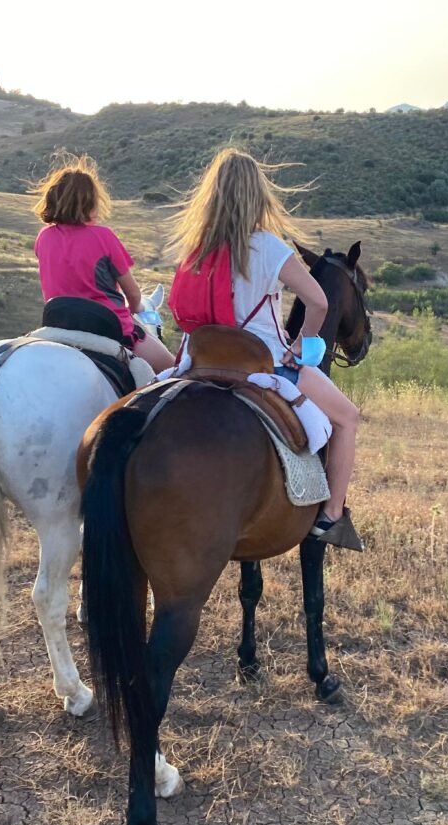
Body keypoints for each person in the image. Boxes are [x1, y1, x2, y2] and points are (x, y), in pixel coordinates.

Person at [168, 148, 361, 546]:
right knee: (347, 418)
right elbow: (319, 302)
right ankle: (331, 517)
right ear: (259, 195)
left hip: (197, 359)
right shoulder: (269, 247)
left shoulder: (196, 246)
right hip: (261, 363)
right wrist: (300, 346)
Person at [32, 154, 176, 372]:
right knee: (173, 370)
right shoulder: (103, 236)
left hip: (58, 322)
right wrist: (136, 309)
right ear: (90, 203)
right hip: (107, 326)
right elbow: (134, 295)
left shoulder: (44, 236)